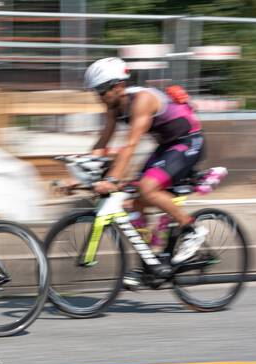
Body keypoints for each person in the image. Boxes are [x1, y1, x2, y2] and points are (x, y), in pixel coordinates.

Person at [83, 57, 208, 287]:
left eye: (101, 90)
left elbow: (130, 145)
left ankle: (193, 229)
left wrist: (111, 179)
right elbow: (103, 141)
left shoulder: (142, 100)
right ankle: (152, 262)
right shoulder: (113, 107)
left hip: (188, 141)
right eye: (96, 91)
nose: (98, 96)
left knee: (147, 188)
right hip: (165, 147)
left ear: (118, 86)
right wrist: (82, 171)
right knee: (134, 202)